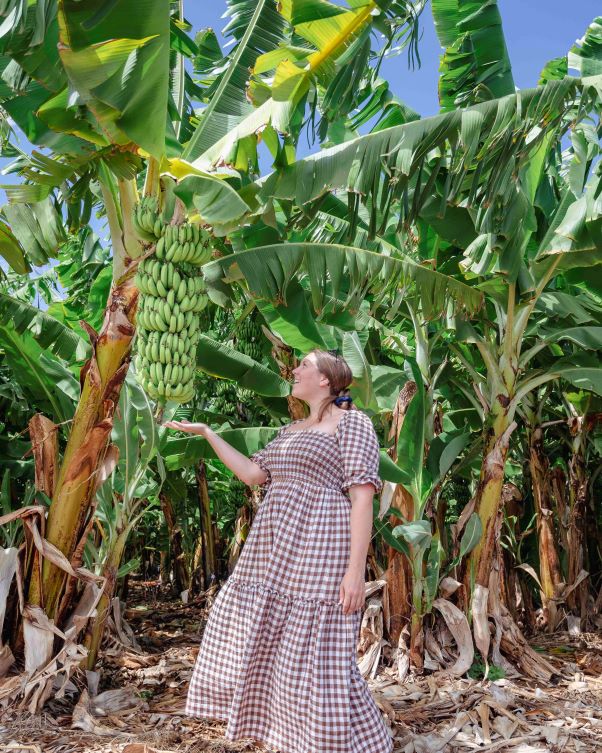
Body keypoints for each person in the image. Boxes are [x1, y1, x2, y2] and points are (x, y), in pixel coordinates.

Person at [163, 348, 393, 753]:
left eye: (304, 364)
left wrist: (355, 572)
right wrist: (208, 433)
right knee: (270, 637)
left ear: (326, 379)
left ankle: (345, 740)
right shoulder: (290, 431)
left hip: (321, 542)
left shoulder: (353, 424)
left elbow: (362, 498)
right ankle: (288, 735)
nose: (294, 369)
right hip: (273, 547)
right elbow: (254, 475)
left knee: (319, 647)